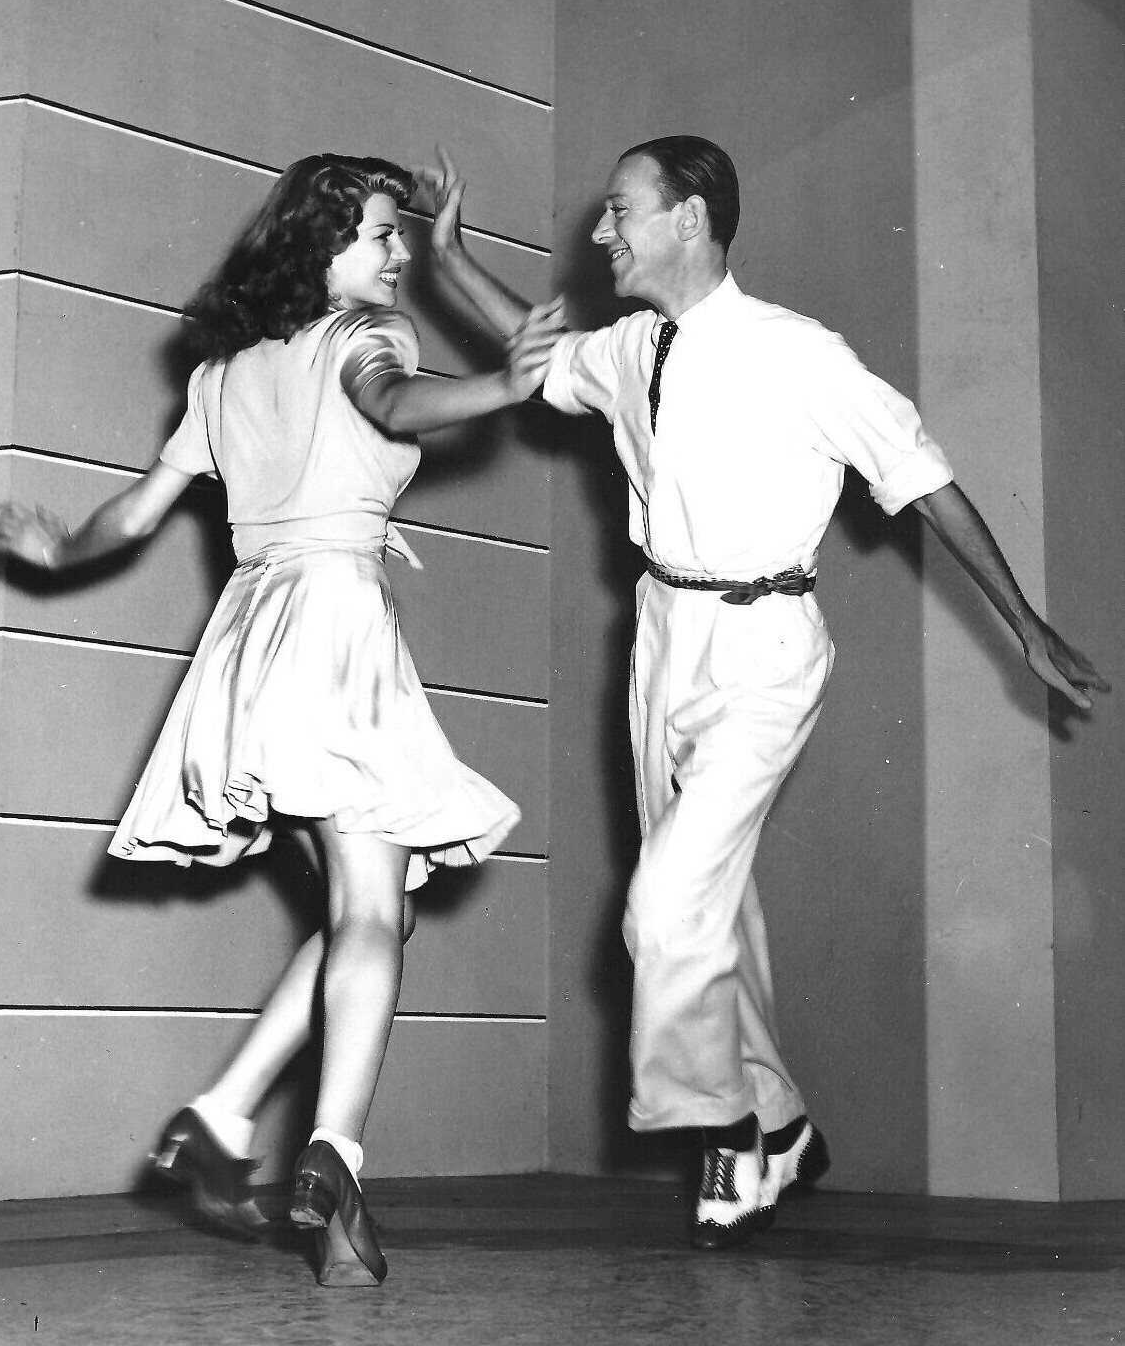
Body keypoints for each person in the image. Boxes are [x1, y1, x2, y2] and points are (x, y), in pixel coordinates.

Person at [423, 137, 1109, 1250]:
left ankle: (727, 1126)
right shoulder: (631, 347)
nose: (600, 232)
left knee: (666, 907)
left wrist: (1024, 626)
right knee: (712, 906)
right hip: (661, 638)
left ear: (689, 218)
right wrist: (450, 258)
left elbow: (924, 480)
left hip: (763, 647)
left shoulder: (800, 355)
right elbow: (542, 353)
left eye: (620, 210)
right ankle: (784, 1123)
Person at [0, 152, 565, 1287]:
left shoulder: (223, 373)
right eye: (381, 234)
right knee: (372, 909)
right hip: (331, 621)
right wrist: (499, 387)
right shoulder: (364, 334)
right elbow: (389, 399)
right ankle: (334, 1152)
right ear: (322, 248)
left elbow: (133, 517)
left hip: (249, 643)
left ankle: (221, 1116)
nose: (397, 253)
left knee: (377, 908)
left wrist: (56, 548)